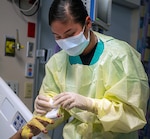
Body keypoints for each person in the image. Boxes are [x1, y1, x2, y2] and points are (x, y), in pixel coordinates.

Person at [10, 0, 149, 139]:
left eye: (70, 34)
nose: (64, 41)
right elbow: (53, 113)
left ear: (88, 23)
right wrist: (46, 109)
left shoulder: (120, 56)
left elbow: (132, 115)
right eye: (58, 36)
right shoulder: (58, 62)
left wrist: (91, 105)